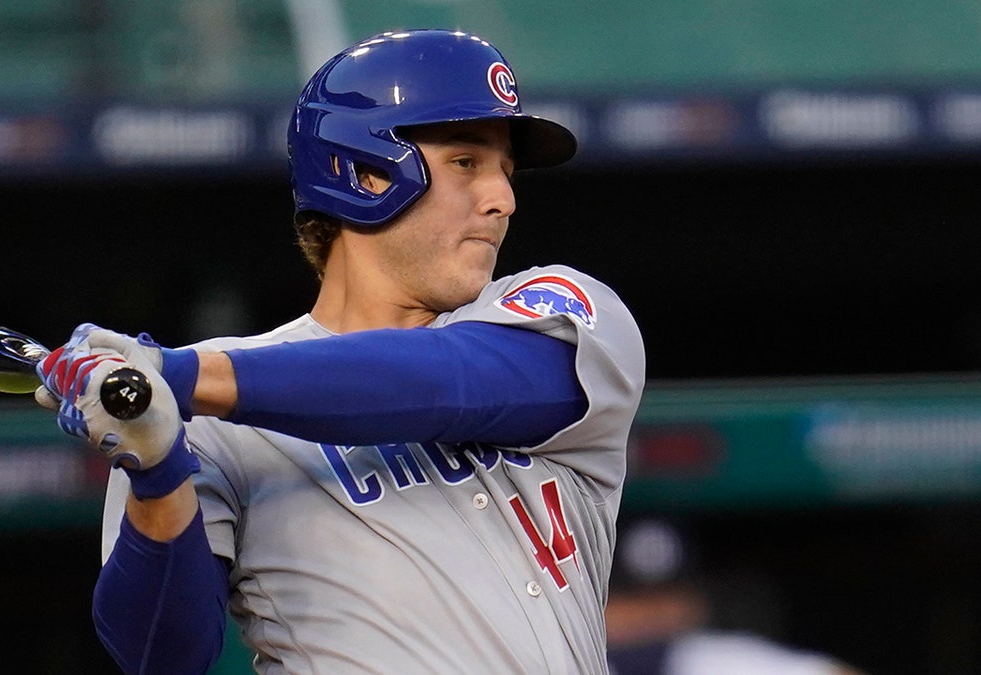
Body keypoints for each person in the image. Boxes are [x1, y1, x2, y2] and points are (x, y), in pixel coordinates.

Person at [35, 29, 645, 674]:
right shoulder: (192, 417)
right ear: (365, 170)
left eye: (506, 172)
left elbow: (448, 381)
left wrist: (183, 375)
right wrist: (157, 470)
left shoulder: (559, 306)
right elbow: (162, 655)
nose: (503, 199)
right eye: (467, 163)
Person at [605, 519, 867, 675]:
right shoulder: (572, 660)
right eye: (633, 598)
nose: (650, 613)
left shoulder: (705, 660)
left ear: (694, 602)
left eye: (666, 597)